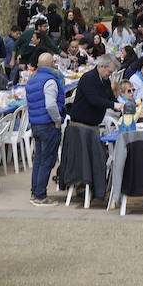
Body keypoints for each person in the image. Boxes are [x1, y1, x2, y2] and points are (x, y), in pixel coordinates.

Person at [26, 52, 65, 206]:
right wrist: (57, 120)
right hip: (48, 124)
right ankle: (41, 195)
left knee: (39, 160)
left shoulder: (32, 79)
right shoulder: (50, 80)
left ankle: (35, 192)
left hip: (36, 123)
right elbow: (50, 104)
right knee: (47, 161)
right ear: (50, 64)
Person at [70, 54, 120, 126]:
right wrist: (114, 105)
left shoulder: (106, 80)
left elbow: (110, 97)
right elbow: (94, 100)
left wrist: (120, 106)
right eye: (109, 72)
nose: (110, 74)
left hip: (94, 123)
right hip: (81, 123)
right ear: (102, 66)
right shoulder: (88, 78)